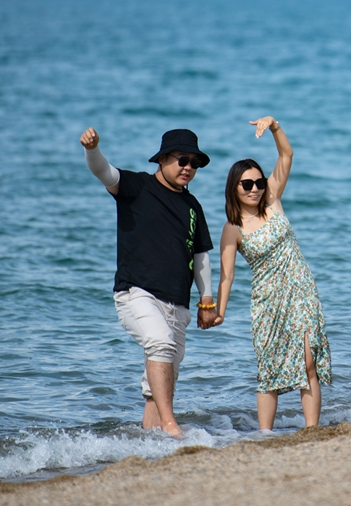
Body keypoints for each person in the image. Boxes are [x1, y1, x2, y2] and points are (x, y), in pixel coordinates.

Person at [79, 127, 218, 438]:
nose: (188, 167)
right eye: (182, 160)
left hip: (178, 303)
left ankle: (153, 441)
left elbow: (201, 256)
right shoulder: (137, 186)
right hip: (137, 293)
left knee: (163, 379)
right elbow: (103, 171)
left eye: (195, 163)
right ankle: (171, 426)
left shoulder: (193, 207)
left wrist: (207, 301)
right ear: (162, 159)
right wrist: (92, 149)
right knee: (160, 343)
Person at [213, 116, 332, 430]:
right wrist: (219, 311)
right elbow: (227, 276)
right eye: (247, 184)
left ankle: (312, 430)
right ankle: (264, 435)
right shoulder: (232, 228)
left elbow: (286, 155)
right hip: (268, 302)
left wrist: (275, 126)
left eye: (259, 182)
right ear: (234, 188)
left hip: (301, 290)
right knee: (270, 368)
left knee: (308, 360)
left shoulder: (272, 201)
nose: (255, 189)